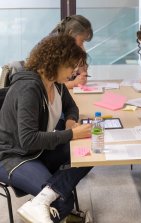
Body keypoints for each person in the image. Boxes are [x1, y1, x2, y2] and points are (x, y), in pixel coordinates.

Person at [0, 35, 93, 222]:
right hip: (13, 156)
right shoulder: (29, 88)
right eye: (71, 66)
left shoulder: (56, 84)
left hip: (37, 150)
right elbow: (28, 139)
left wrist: (70, 121)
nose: (74, 72)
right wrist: (71, 134)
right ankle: (53, 204)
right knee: (62, 202)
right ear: (55, 62)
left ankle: (43, 199)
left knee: (90, 152)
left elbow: (71, 107)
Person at [50, 15, 93, 89]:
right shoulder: (54, 49)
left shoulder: (74, 47)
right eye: (82, 40)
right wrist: (74, 83)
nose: (82, 45)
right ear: (71, 33)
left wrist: (83, 73)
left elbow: (82, 72)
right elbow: (52, 86)